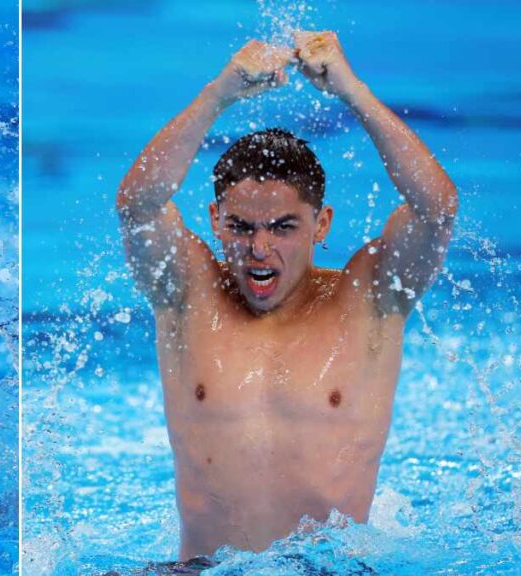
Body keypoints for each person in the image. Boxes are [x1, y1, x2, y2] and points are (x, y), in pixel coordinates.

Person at [116, 31, 457, 563]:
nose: (258, 248)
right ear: (215, 222)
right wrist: (216, 96)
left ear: (321, 224)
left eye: (282, 227)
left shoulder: (368, 299)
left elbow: (436, 210)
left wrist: (355, 94)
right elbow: (137, 206)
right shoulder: (187, 292)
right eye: (241, 226)